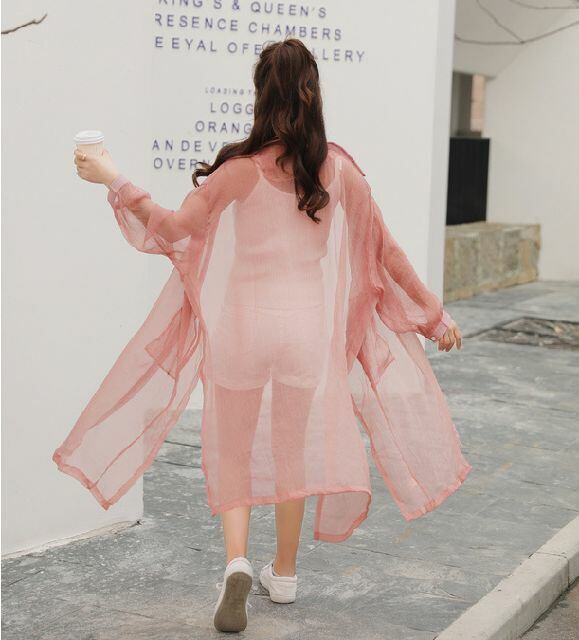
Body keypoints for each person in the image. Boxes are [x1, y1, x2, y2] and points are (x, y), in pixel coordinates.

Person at [58, 38, 469, 634]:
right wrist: (434, 316)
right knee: (290, 451)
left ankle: (236, 563)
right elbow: (385, 253)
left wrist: (112, 178)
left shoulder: (238, 173)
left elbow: (171, 228)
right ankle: (286, 573)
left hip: (243, 331)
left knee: (233, 448)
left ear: (260, 96)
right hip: (305, 335)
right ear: (313, 94)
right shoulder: (339, 173)